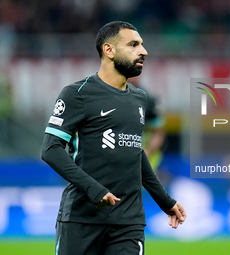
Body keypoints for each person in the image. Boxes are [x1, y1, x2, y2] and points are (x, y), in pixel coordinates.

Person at [41, 21, 186, 255]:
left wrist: (165, 200)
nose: (143, 51)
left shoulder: (140, 99)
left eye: (142, 45)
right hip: (81, 219)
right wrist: (95, 190)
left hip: (128, 222)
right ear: (109, 50)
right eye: (133, 45)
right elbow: (50, 149)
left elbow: (135, 153)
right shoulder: (77, 94)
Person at [128, 76, 166, 172]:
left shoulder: (148, 99)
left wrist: (148, 151)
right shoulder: (107, 96)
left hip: (140, 156)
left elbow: (158, 132)